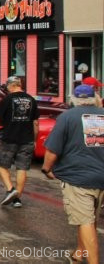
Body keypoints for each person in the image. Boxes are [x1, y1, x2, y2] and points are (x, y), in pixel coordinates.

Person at [41, 84, 104, 264]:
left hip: (78, 178)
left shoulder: (67, 117)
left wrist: (46, 169)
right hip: (101, 177)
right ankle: (79, 253)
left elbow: (52, 150)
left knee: (85, 220)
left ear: (74, 99)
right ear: (94, 97)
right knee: (89, 218)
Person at [0, 76, 39, 208]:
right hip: (27, 139)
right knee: (22, 168)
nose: (7, 89)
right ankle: (17, 199)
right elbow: (35, 123)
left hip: (9, 138)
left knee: (1, 164)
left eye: (7, 87)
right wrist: (34, 139)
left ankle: (10, 189)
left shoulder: (7, 99)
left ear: (11, 86)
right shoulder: (31, 99)